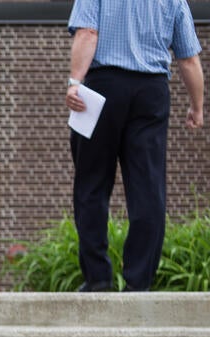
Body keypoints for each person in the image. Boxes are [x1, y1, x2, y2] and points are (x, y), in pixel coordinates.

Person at [66, 0, 204, 292]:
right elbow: (189, 59)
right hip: (151, 93)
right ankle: (138, 282)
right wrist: (197, 106)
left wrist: (74, 82)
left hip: (102, 88)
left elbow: (88, 33)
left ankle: (98, 278)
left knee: (91, 185)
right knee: (148, 188)